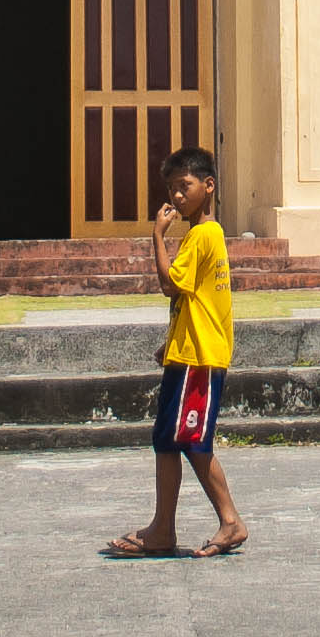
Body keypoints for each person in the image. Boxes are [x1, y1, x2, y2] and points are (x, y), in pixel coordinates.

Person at [104, 146, 246, 558]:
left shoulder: (203, 234)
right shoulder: (204, 235)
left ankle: (229, 520)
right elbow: (193, 300)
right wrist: (172, 341)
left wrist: (156, 236)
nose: (178, 196)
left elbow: (170, 285)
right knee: (168, 441)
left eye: (184, 186)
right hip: (187, 353)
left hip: (199, 359)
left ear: (208, 185)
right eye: (172, 189)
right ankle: (162, 529)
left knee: (191, 441)